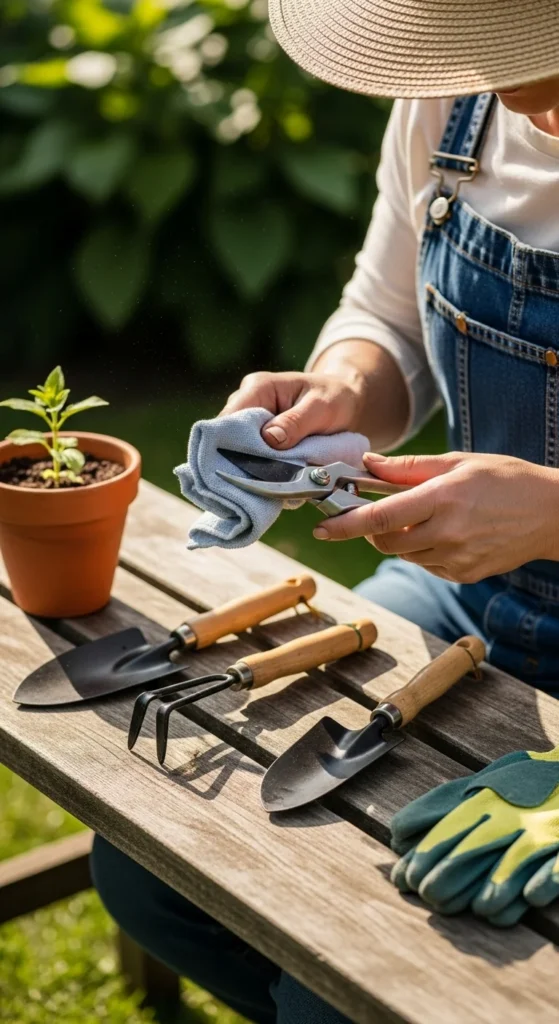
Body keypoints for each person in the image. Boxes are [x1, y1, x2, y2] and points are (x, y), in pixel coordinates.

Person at [91, 3, 559, 1021]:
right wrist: (341, 391)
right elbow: (385, 316)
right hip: (468, 598)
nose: (484, 65)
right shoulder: (450, 101)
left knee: (336, 992)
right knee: (149, 870)